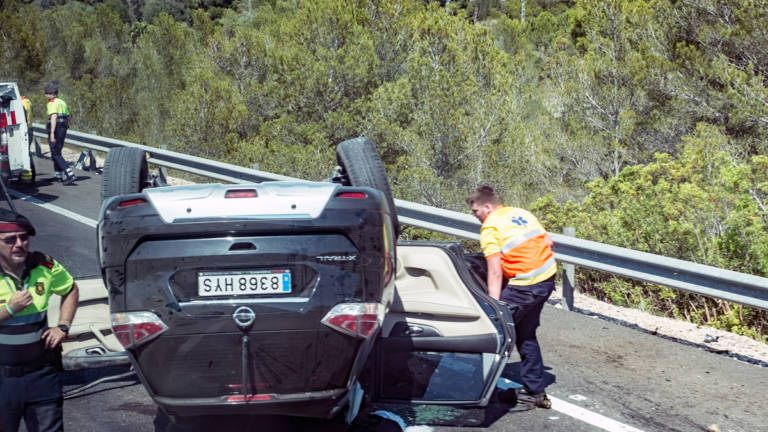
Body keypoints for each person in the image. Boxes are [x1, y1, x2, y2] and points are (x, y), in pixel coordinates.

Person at [466, 185, 556, 410]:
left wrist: (494, 306)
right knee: (525, 334)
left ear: (487, 207)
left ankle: (476, 388)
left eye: (476, 211)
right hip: (546, 279)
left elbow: (495, 271)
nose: (475, 216)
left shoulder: (490, 227)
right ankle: (535, 391)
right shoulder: (521, 213)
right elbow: (548, 242)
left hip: (524, 286)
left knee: (494, 331)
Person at [0, 209, 79, 431]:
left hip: (42, 375)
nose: (19, 244)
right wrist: (9, 309)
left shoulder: (43, 265)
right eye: (10, 240)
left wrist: (63, 326)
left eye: (23, 238)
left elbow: (70, 289)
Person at [44, 83, 75, 185]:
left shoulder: (52, 103)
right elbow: (68, 116)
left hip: (56, 129)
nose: (45, 95)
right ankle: (58, 176)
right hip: (63, 129)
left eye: (47, 93)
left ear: (52, 94)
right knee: (57, 152)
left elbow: (53, 117)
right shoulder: (62, 102)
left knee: (56, 153)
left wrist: (52, 133)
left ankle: (70, 174)